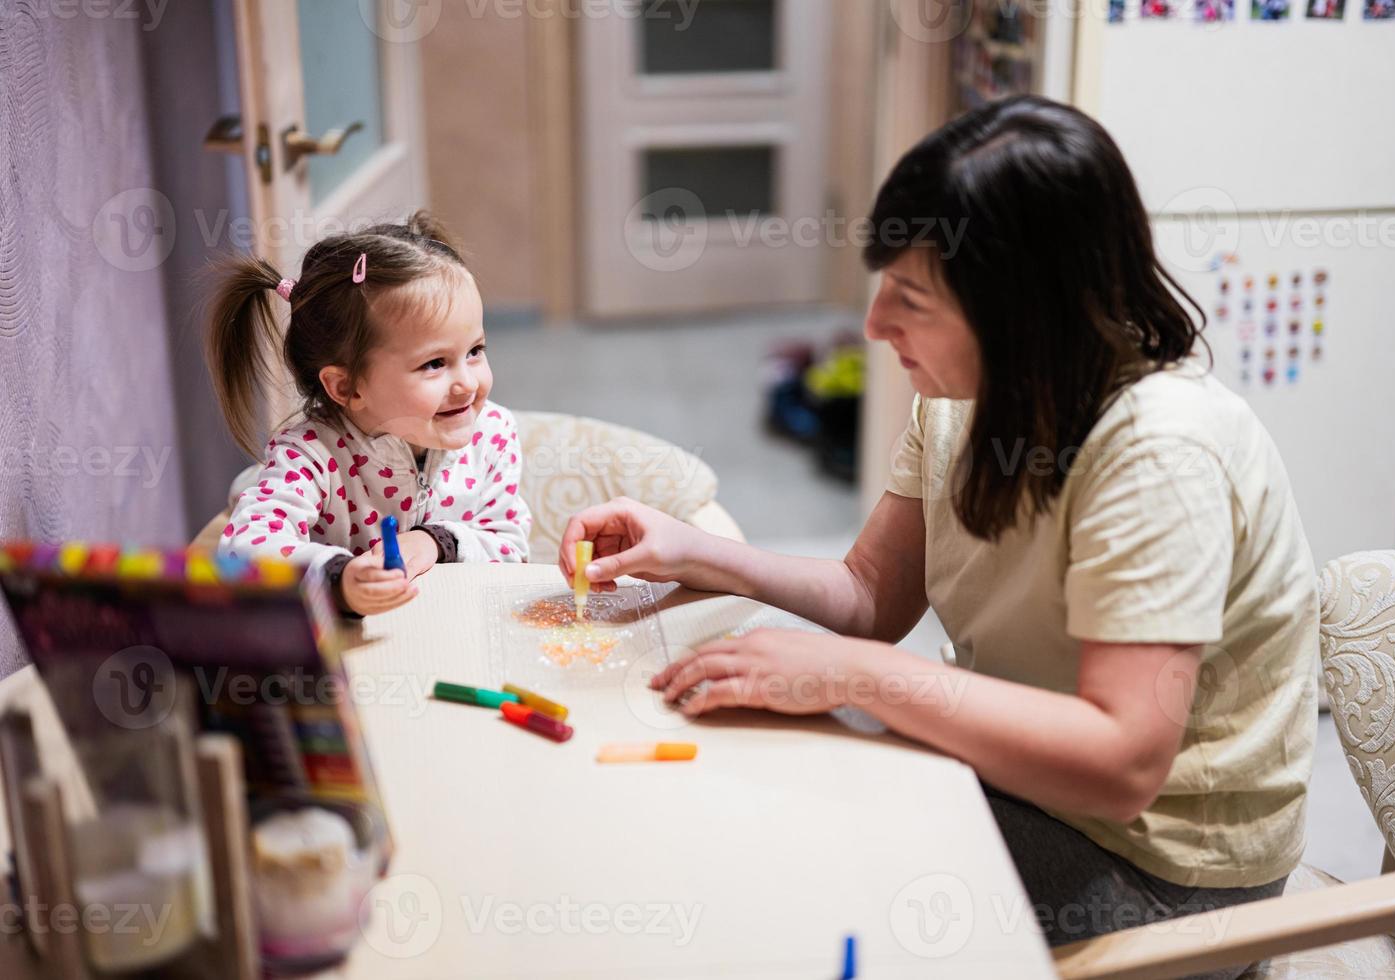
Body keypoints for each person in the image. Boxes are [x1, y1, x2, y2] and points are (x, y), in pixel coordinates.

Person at [559, 97, 1317, 973]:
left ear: (1020, 313)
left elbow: (1121, 763)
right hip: (1020, 782)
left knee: (783, 900)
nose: (876, 326)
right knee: (744, 809)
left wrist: (854, 674)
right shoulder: (964, 406)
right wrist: (694, 551)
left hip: (1165, 875)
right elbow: (873, 597)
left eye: (910, 300)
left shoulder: (1159, 453)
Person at [205, 212, 530, 616]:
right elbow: (243, 551)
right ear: (347, 387)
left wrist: (436, 541)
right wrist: (341, 581)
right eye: (434, 364)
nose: (467, 382)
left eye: (475, 352)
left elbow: (510, 545)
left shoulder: (493, 434)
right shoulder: (309, 455)